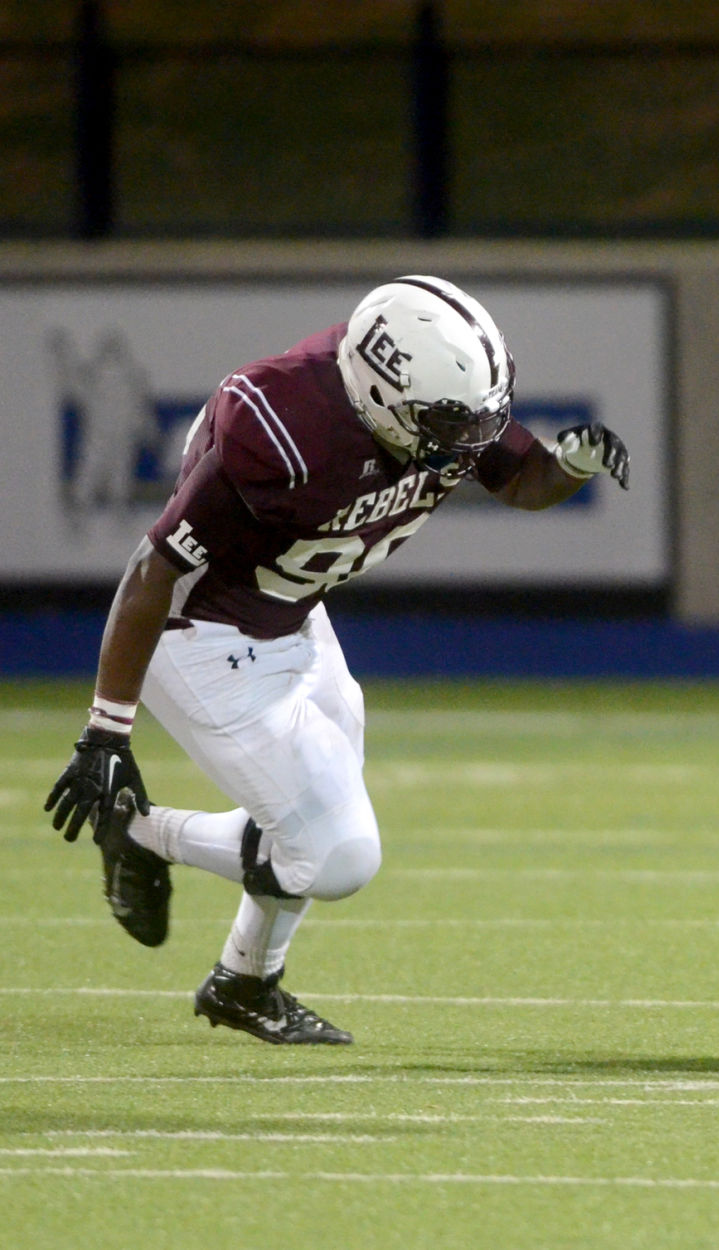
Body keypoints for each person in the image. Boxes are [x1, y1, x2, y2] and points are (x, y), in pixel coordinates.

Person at [44, 276, 630, 1045]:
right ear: (385, 399)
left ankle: (245, 982)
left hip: (291, 611)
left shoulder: (433, 393)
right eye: (456, 422)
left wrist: (572, 464)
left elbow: (521, 477)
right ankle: (139, 830)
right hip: (203, 637)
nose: (473, 436)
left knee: (317, 815)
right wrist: (106, 732)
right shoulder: (279, 431)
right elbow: (154, 571)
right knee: (337, 853)